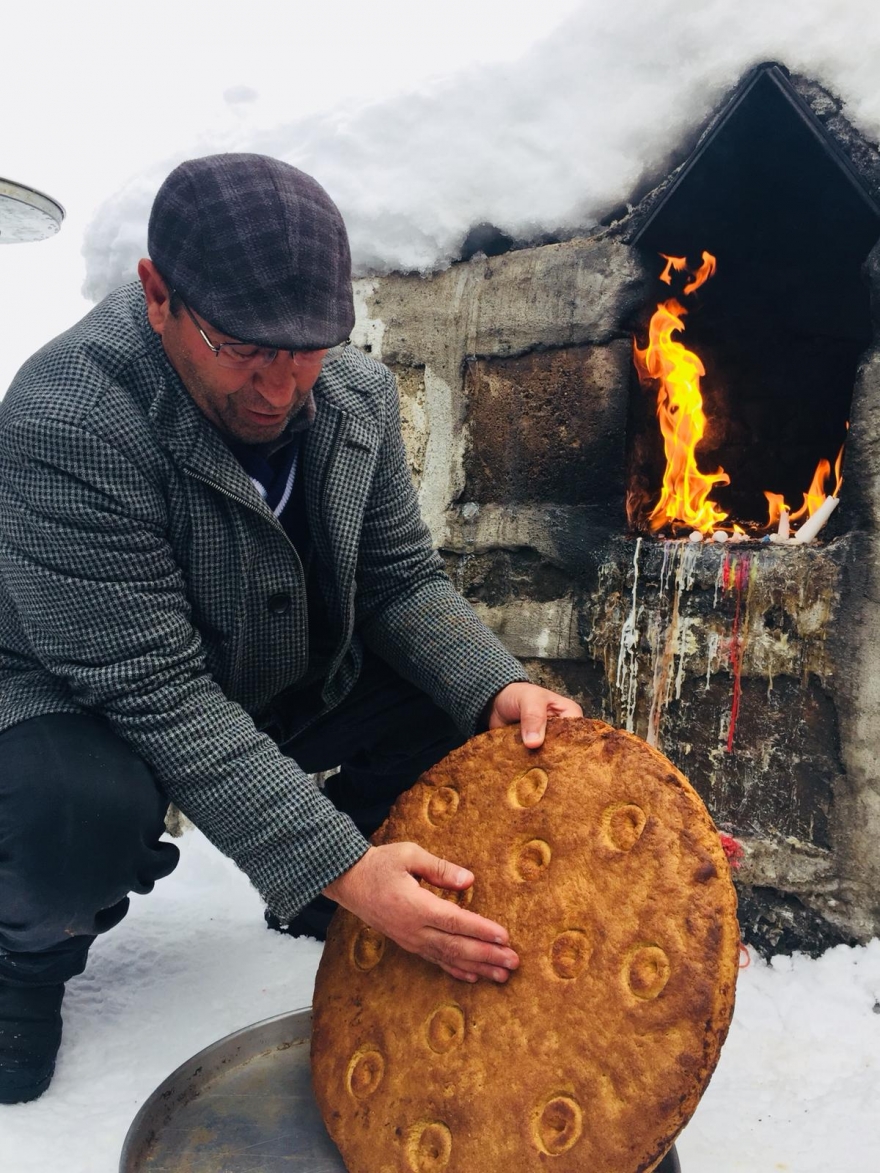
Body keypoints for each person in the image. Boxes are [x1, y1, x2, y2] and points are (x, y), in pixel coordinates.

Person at [0, 153, 581, 1104]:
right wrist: (344, 864)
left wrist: (497, 685)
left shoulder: (348, 399)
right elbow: (155, 690)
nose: (281, 387)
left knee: (453, 714)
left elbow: (399, 581)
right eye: (243, 347)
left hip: (251, 668)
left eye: (309, 345)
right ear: (157, 295)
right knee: (73, 819)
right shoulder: (70, 420)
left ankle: (332, 898)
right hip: (69, 697)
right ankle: (20, 965)